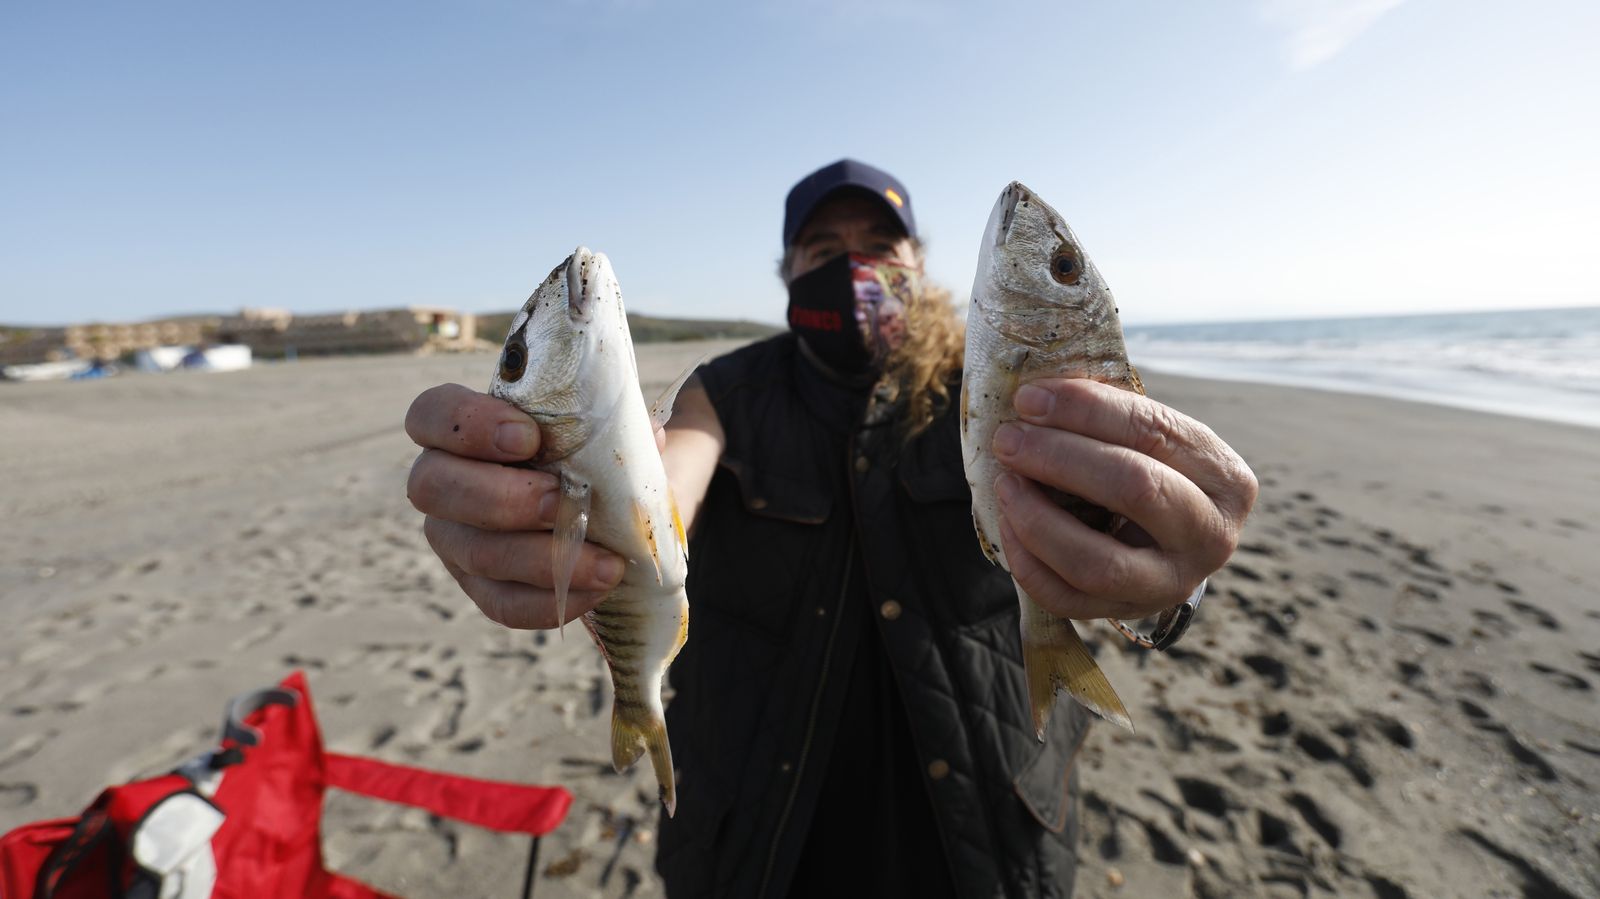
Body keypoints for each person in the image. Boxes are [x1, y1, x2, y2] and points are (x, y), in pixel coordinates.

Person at [404, 159, 1258, 897]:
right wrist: (564, 496)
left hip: (991, 835)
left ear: (919, 263)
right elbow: (670, 482)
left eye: (879, 246)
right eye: (823, 249)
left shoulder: (1003, 379)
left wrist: (1166, 561)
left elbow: (1124, 541)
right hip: (765, 845)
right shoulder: (723, 392)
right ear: (787, 273)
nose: (852, 266)